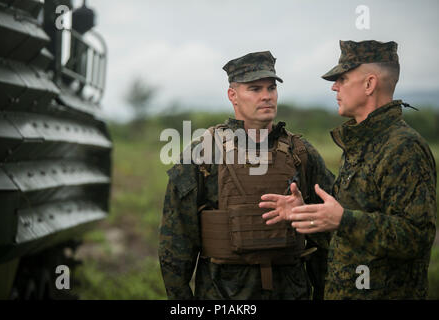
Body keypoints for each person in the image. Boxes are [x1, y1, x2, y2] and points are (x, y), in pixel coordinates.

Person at [260, 40, 437, 299]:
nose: (334, 86)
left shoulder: (403, 148)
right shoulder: (360, 144)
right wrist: (310, 216)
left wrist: (343, 219)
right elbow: (347, 235)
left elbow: (417, 236)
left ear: (369, 84)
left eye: (342, 79)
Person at [159, 51, 334, 299]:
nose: (266, 96)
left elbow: (329, 238)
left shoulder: (302, 154)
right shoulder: (203, 154)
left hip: (291, 291)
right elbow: (175, 244)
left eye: (271, 88)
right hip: (222, 293)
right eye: (254, 89)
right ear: (233, 95)